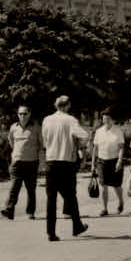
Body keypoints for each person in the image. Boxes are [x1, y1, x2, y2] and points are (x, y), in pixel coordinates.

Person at [40, 95, 90, 241]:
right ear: (67, 105)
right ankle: (77, 225)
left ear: (56, 105)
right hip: (66, 162)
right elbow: (84, 136)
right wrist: (77, 144)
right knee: (70, 196)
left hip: (51, 161)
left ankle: (51, 232)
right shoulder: (71, 120)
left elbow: (45, 140)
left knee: (51, 199)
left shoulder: (47, 120)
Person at [2, 105, 44, 220]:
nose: (22, 116)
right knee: (14, 186)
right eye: (20, 114)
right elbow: (11, 141)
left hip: (31, 162)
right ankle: (9, 209)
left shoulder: (36, 127)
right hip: (17, 162)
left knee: (31, 189)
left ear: (29, 114)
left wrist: (41, 161)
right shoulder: (13, 127)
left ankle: (30, 212)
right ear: (17, 115)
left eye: (25, 113)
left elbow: (41, 145)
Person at [91, 109, 126, 217]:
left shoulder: (118, 131)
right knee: (103, 185)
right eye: (104, 119)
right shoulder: (99, 131)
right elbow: (95, 149)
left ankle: (121, 201)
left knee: (116, 185)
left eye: (107, 119)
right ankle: (104, 208)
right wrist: (93, 164)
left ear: (112, 120)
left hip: (115, 160)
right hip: (101, 161)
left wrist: (119, 161)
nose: (105, 121)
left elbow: (121, 148)